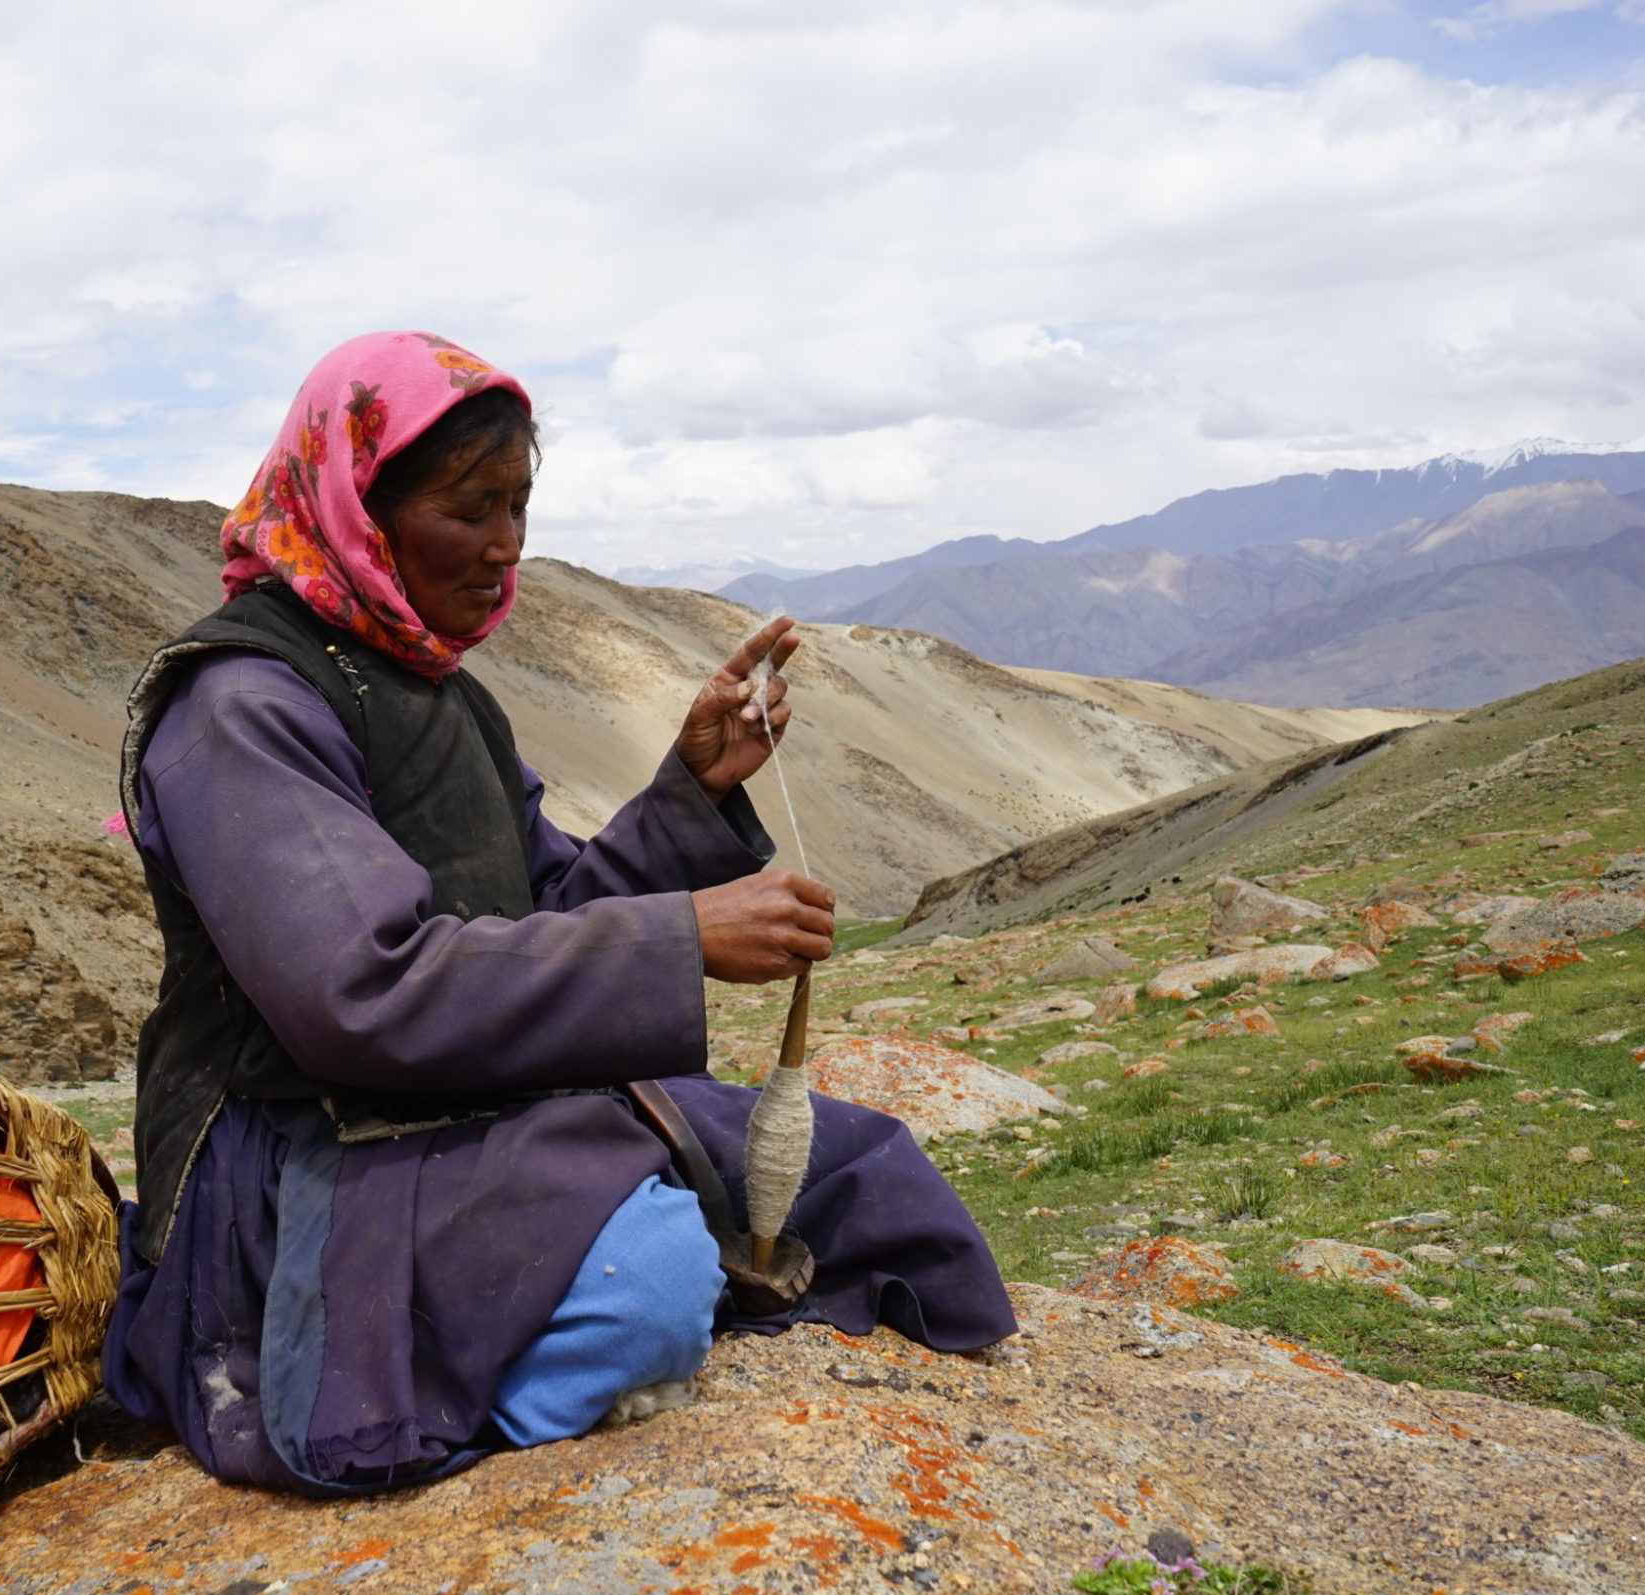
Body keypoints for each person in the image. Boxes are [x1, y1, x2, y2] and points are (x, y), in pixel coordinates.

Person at [103, 331, 1014, 1496]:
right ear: (357, 508)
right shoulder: (240, 706)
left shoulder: (436, 690)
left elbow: (540, 911)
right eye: (468, 509)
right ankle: (419, 1419)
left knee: (859, 1167)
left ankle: (517, 1306)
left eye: (519, 505)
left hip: (452, 1099)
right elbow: (361, 991)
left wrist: (692, 794)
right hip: (307, 1149)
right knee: (650, 1280)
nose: (505, 546)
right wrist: (682, 937)